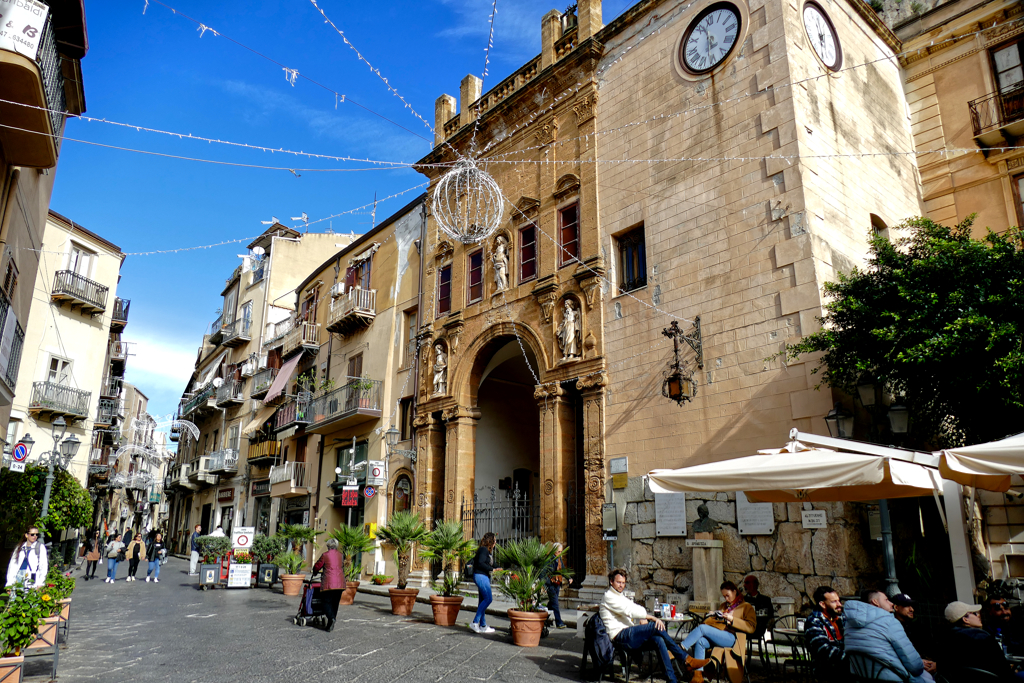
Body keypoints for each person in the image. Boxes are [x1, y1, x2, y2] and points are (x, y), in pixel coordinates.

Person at [600, 568, 708, 683]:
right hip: (619, 635)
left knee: (659, 640)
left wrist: (643, 616)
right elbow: (628, 610)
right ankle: (685, 659)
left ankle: (672, 680)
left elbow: (635, 607)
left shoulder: (620, 596)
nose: (621, 585)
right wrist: (651, 617)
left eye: (623, 582)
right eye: (618, 582)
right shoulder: (609, 596)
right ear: (611, 582)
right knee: (655, 626)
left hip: (629, 633)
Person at [845, 589, 932, 682]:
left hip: (862, 678)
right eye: (886, 600)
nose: (891, 604)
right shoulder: (890, 622)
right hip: (894, 678)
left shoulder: (849, 625)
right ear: (875, 602)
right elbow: (915, 666)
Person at [680, 581, 757, 683]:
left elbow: (751, 627)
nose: (726, 598)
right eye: (724, 596)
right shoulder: (724, 606)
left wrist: (732, 619)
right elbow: (715, 623)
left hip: (733, 638)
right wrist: (713, 615)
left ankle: (679, 649)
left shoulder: (746, 607)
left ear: (734, 591)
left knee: (702, 628)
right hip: (719, 634)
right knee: (701, 641)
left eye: (728, 595)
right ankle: (698, 676)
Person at [940, 600, 1024, 681]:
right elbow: (1004, 669)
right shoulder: (982, 637)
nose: (979, 616)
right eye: (975, 614)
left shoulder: (947, 639)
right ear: (965, 620)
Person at [805, 585, 847, 679]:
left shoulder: (841, 617)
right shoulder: (814, 621)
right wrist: (852, 658)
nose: (839, 604)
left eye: (839, 600)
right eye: (834, 602)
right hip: (826, 669)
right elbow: (823, 650)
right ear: (822, 604)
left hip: (848, 666)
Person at [892, 593, 937, 675]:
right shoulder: (893, 628)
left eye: (911, 606)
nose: (912, 609)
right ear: (896, 607)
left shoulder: (916, 627)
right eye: (906, 606)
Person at [312, 538, 345, 632]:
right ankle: (331, 622)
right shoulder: (341, 555)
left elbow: (318, 566)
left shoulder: (325, 555)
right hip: (340, 583)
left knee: (326, 602)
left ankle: (331, 619)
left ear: (328, 546)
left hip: (329, 583)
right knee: (335, 603)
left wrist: (314, 572)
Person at [470, 532, 496, 634]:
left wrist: (499, 568)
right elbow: (480, 563)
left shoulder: (487, 552)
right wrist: (492, 569)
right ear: (491, 541)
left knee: (482, 601)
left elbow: (492, 564)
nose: (496, 541)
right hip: (480, 576)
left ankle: (483, 625)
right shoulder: (483, 550)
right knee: (488, 598)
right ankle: (475, 622)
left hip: (483, 576)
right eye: (494, 539)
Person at [545, 543, 567, 629]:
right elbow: (545, 572)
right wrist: (546, 584)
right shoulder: (549, 559)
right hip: (550, 584)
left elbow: (563, 569)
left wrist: (569, 578)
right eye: (558, 551)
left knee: (552, 604)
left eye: (561, 552)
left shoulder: (559, 559)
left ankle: (543, 617)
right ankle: (559, 622)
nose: (559, 553)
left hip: (557, 583)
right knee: (555, 603)